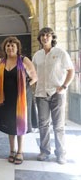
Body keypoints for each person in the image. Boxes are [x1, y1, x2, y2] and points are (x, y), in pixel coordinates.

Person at [32, 27, 75, 164]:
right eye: (42, 35)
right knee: (43, 124)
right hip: (41, 94)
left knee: (58, 125)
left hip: (57, 94)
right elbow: (32, 74)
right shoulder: (37, 55)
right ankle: (44, 151)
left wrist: (64, 86)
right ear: (39, 38)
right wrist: (33, 87)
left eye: (48, 35)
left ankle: (61, 153)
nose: (45, 37)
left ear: (52, 37)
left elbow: (71, 70)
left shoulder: (61, 53)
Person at [0, 36, 38, 165]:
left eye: (13, 45)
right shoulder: (1, 62)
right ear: (4, 48)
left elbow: (34, 77)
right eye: (8, 45)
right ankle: (12, 150)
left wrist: (24, 87)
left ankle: (20, 151)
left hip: (21, 98)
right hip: (6, 98)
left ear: (17, 48)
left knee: (20, 124)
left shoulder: (24, 60)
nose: (10, 47)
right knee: (10, 124)